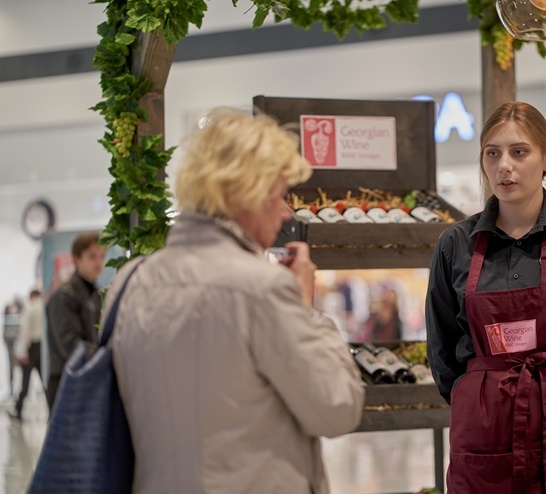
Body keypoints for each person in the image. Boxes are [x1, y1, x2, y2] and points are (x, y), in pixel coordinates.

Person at [104, 108, 365, 494]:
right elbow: (336, 409)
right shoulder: (261, 289)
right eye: (278, 195)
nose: (285, 211)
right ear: (247, 193)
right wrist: (305, 309)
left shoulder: (130, 282)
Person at [425, 101, 546, 493]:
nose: (505, 166)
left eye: (520, 152)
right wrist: (477, 401)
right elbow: (442, 350)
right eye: (492, 153)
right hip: (484, 431)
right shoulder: (455, 245)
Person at [45, 231, 107, 410]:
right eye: (92, 256)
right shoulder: (63, 297)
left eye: (102, 256)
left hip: (88, 378)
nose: (98, 262)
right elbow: (70, 346)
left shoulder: (97, 295)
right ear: (76, 259)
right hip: (66, 382)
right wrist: (106, 357)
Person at [8, 289, 44, 421]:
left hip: (31, 348)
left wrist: (22, 351)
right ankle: (54, 410)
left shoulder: (30, 308)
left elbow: (25, 331)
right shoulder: (43, 306)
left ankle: (18, 411)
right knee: (44, 381)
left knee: (25, 381)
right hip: (41, 347)